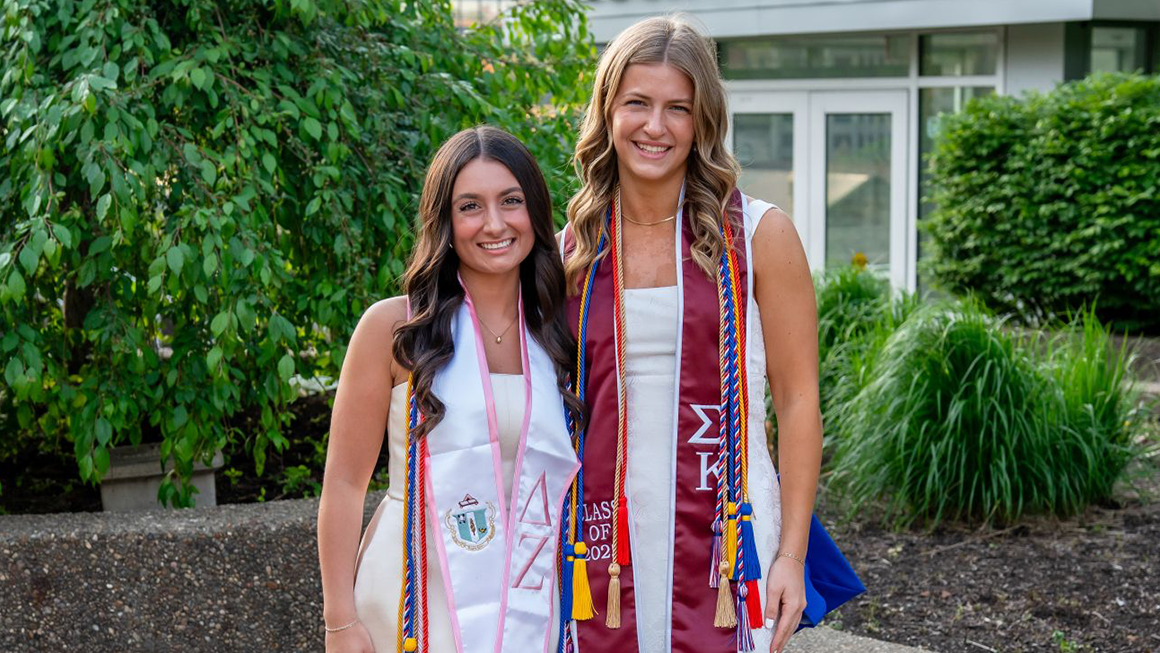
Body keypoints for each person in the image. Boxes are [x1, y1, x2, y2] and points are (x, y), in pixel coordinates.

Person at [556, 16, 822, 653]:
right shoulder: (571, 250)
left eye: (678, 108)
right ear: (606, 112)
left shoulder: (759, 236)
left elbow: (798, 401)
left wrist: (792, 555)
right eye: (637, 103)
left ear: (703, 122)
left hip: (727, 533)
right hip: (600, 539)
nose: (655, 126)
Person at [318, 126, 582, 653]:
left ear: (535, 211)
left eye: (511, 201)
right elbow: (344, 486)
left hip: (528, 591)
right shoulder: (395, 330)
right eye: (470, 207)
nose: (494, 224)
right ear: (444, 220)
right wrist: (339, 621)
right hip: (413, 587)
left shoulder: (560, 330)